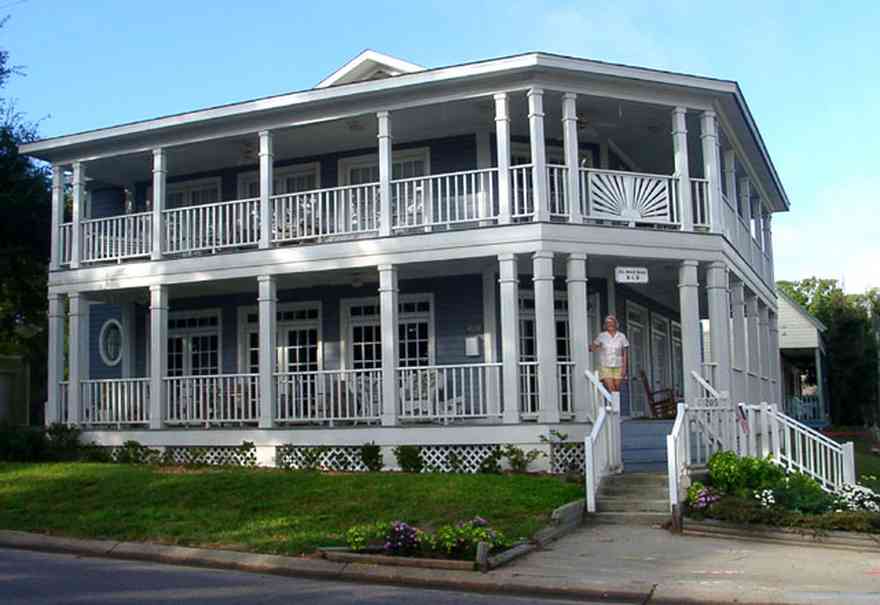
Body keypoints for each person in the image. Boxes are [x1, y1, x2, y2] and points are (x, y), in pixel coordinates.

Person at [590, 315, 629, 392]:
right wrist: (597, 347)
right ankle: (613, 403)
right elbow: (592, 348)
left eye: (612, 322)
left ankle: (614, 404)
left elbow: (625, 352)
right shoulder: (602, 336)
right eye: (607, 323)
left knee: (617, 388)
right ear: (605, 325)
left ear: (616, 324)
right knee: (611, 388)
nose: (610, 324)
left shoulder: (621, 336)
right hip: (605, 365)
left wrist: (624, 368)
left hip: (618, 365)